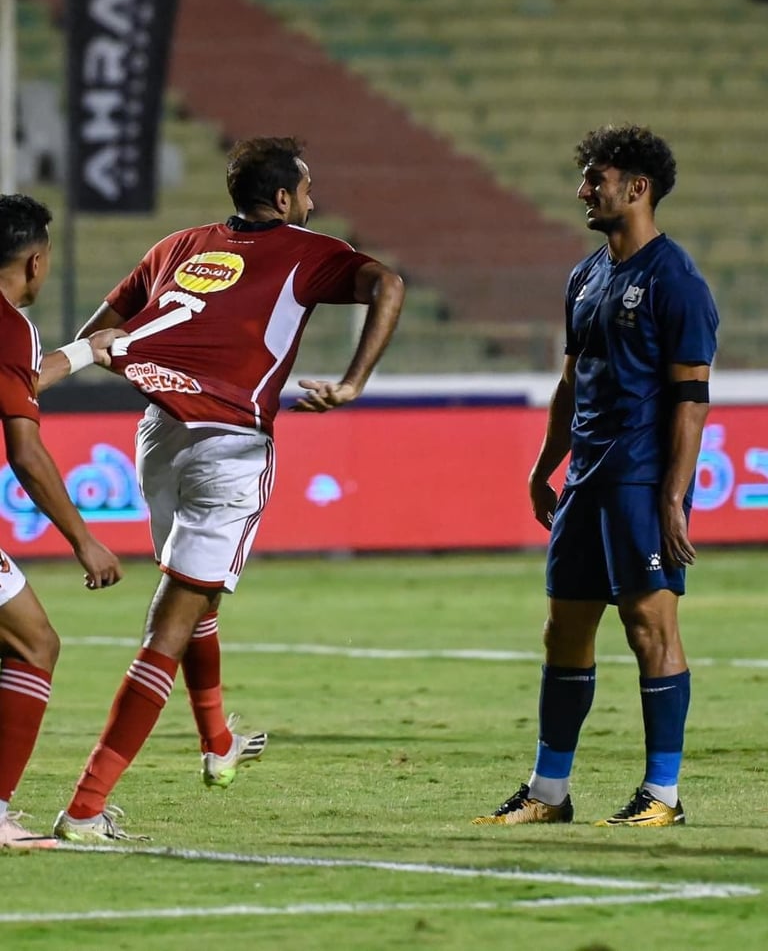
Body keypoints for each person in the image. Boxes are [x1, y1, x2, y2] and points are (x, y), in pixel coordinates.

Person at [53, 136, 405, 842]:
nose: (312, 201)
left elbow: (98, 336)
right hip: (229, 444)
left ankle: (219, 743)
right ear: (283, 198)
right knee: (172, 622)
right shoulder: (307, 251)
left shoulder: (178, 246)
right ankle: (85, 809)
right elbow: (388, 285)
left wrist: (163, 367)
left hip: (158, 436)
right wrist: (352, 383)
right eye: (306, 190)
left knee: (195, 595)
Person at [473, 124, 718, 828]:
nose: (583, 190)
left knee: (650, 626)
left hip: (640, 480)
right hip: (585, 478)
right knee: (564, 629)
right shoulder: (586, 277)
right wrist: (543, 467)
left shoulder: (676, 281)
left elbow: (692, 400)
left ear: (637, 189)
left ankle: (662, 795)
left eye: (596, 179)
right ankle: (549, 792)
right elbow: (569, 382)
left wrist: (674, 496)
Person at [0, 194, 124, 848]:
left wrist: (83, 352)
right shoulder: (11, 325)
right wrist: (84, 540)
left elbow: (18, 379)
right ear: (35, 262)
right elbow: (25, 452)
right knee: (34, 645)